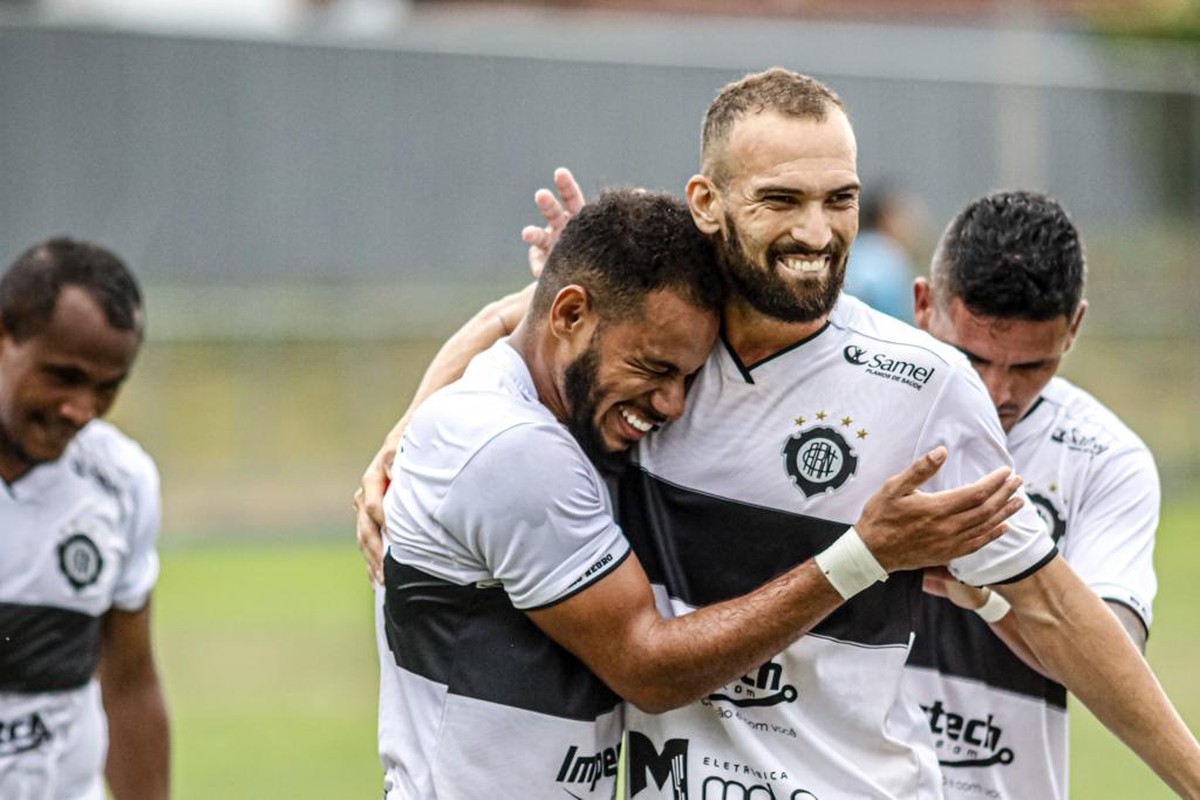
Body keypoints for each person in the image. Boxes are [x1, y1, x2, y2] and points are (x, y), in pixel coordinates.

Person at [358, 69, 1200, 798]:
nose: (815, 232)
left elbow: (1050, 605)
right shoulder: (653, 361)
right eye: (780, 201)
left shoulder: (925, 389)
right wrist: (400, 443)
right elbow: (525, 324)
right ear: (707, 205)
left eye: (841, 200)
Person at [373, 189, 1023, 799]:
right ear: (570, 314)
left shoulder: (547, 408)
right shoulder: (514, 448)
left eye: (688, 377)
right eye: (654, 368)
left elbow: (531, 318)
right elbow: (648, 667)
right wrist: (864, 555)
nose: (672, 404)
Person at [903, 190, 1160, 799]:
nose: (996, 393)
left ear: (1073, 328)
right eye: (972, 358)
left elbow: (1112, 658)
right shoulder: (859, 409)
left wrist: (992, 594)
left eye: (1030, 367)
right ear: (923, 306)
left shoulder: (1105, 459)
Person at [0, 238, 168, 800]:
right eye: (62, 376)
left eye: (107, 387)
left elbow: (129, 682)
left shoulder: (122, 482)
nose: (82, 410)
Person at [843, 180, 924, 322]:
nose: (914, 223)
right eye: (905, 214)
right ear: (886, 216)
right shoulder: (889, 256)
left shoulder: (853, 247)